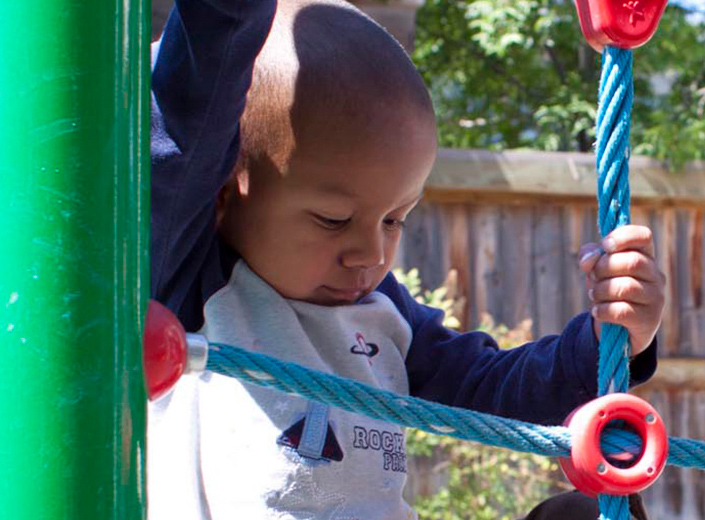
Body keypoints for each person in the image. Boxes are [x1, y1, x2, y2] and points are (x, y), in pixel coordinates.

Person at [148, 0, 665, 518]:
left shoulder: (383, 314)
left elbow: (490, 389)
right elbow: (193, 103)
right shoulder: (191, 281)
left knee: (581, 513)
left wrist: (605, 342)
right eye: (333, 220)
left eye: (394, 219)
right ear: (222, 192)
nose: (371, 254)